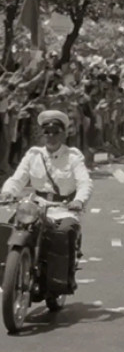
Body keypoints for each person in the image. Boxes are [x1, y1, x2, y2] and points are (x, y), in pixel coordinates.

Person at [0, 110, 93, 290]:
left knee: (64, 232)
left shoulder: (73, 157)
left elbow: (84, 182)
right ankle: (7, 275)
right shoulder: (33, 155)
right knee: (10, 228)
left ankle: (62, 280)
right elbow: (17, 178)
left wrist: (79, 201)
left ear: (64, 134)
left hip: (63, 208)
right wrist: (8, 192)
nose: (51, 137)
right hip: (35, 206)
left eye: (56, 132)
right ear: (42, 135)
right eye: (47, 132)